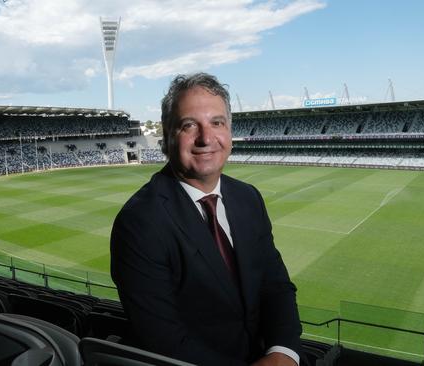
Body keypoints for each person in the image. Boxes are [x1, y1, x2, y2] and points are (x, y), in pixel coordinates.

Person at [110, 72, 303, 366]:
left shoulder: (248, 198)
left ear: (229, 130)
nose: (206, 138)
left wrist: (282, 353)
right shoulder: (139, 222)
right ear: (167, 133)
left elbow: (275, 286)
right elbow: (163, 339)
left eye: (217, 122)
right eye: (189, 125)